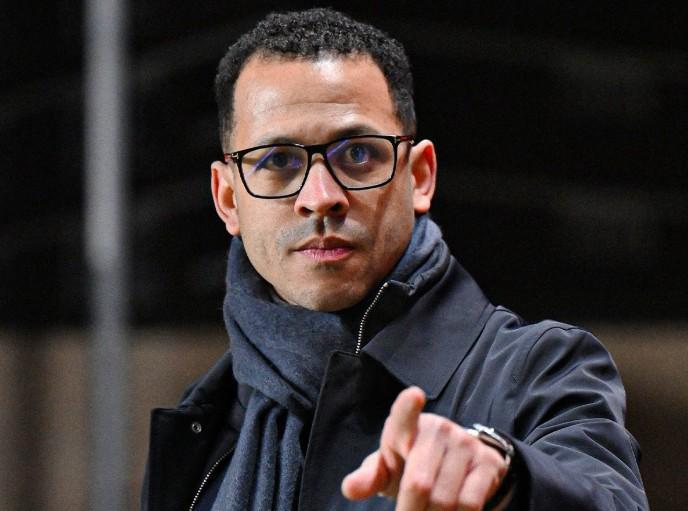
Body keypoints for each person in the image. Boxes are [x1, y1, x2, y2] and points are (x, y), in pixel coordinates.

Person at [141, 8, 648, 511]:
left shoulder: (537, 369)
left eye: (358, 154)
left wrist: (506, 482)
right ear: (228, 199)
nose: (320, 197)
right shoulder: (204, 417)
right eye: (279, 161)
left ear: (420, 176)